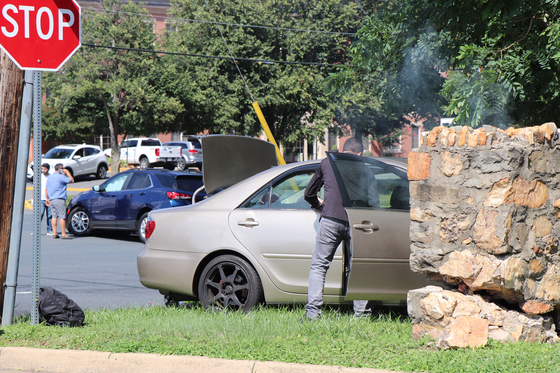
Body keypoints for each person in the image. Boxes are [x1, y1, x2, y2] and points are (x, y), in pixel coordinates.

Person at [303, 138, 376, 320]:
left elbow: (309, 193)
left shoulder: (328, 163)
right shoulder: (366, 168)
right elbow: (374, 201)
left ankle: (313, 313)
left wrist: (318, 204)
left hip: (331, 219)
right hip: (357, 222)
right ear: (360, 153)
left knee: (319, 265)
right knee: (358, 267)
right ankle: (361, 315)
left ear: (342, 150)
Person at [45, 163, 74, 239]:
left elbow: (46, 188)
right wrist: (67, 172)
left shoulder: (50, 177)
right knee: (62, 216)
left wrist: (47, 198)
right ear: (60, 169)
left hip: (52, 199)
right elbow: (72, 180)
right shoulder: (61, 177)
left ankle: (55, 233)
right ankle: (63, 234)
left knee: (54, 216)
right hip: (59, 199)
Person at [40, 163, 55, 236]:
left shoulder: (51, 177)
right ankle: (36, 230)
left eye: (45, 169)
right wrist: (33, 199)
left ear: (48, 169)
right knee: (40, 214)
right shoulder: (39, 177)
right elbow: (35, 188)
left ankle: (50, 230)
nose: (43, 170)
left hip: (50, 199)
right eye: (42, 169)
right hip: (41, 199)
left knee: (50, 215)